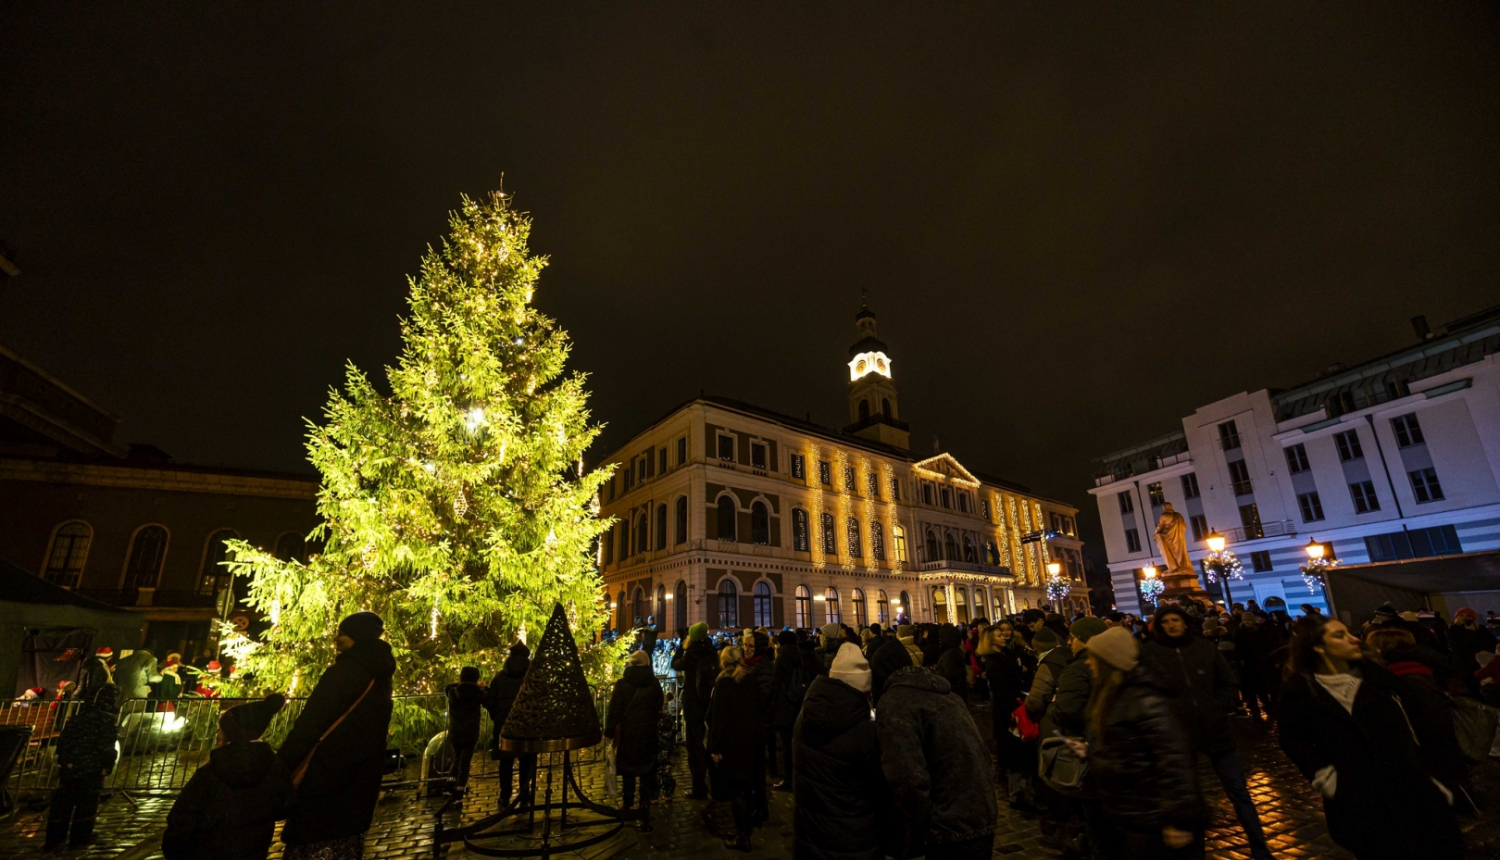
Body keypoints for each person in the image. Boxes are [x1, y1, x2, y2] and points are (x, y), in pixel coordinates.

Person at [1278, 616, 1464, 859]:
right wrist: (1326, 778)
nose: (1353, 639)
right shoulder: (1300, 693)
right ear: (1317, 646)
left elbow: (1429, 731)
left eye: (1349, 633)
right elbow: (1292, 739)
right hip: (1360, 805)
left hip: (1415, 795)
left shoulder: (1384, 681)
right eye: (1339, 635)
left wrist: (1438, 779)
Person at [1141, 605, 1272, 860]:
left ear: (1185, 622)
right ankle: (1196, 853)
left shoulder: (1204, 648)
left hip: (1216, 731)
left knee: (1240, 793)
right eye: (1165, 621)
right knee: (1190, 799)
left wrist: (1217, 706)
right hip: (1180, 736)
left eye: (1175, 620)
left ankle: (1260, 849)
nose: (1171, 625)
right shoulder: (1150, 653)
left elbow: (1228, 681)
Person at [1070, 627, 1202, 859]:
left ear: (1108, 661)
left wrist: (1178, 820)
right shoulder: (1114, 693)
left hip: (1152, 817)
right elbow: (1126, 745)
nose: (1088, 663)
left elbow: (1175, 761)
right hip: (1129, 812)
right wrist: (1093, 750)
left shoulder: (1146, 699)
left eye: (1093, 658)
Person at [277, 612, 396, 860]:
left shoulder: (344, 672)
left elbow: (311, 723)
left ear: (357, 636)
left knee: (314, 836)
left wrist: (283, 764)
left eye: (342, 632)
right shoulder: (381, 674)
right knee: (346, 837)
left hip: (327, 770)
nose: (337, 638)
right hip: (361, 774)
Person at [871, 637, 996, 860]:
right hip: (982, 811)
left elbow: (907, 777)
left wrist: (922, 820)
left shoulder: (895, 703)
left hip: (949, 824)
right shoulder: (946, 694)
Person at [792, 642, 891, 860]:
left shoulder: (805, 717)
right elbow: (879, 789)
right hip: (853, 839)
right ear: (863, 690)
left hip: (810, 834)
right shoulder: (864, 732)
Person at [163, 694, 291, 860]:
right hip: (254, 850)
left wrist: (174, 848)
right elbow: (285, 806)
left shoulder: (211, 771)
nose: (217, 733)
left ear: (230, 733)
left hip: (208, 850)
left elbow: (184, 815)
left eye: (220, 728)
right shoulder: (275, 768)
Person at [45, 683, 119, 850]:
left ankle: (55, 838)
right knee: (87, 804)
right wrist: (107, 765)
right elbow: (106, 747)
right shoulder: (104, 722)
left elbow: (63, 742)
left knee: (64, 803)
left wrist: (65, 761)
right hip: (91, 769)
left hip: (70, 767)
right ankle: (80, 836)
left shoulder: (76, 720)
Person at [708, 645, 763, 852]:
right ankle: (747, 827)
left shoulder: (723, 682)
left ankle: (742, 834)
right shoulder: (749, 679)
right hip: (750, 739)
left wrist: (714, 746)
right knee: (748, 784)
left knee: (735, 789)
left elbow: (718, 718)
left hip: (732, 742)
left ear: (723, 662)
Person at [606, 651, 665, 831]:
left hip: (628, 732)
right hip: (648, 732)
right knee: (647, 768)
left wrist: (609, 730)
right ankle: (644, 802)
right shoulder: (654, 684)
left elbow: (614, 709)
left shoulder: (623, 684)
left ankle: (628, 802)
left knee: (628, 769)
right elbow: (659, 706)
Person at [979, 619, 1036, 806]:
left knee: (1017, 749)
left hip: (1012, 707)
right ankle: (1017, 795)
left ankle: (1019, 790)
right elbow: (1004, 688)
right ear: (989, 640)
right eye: (998, 634)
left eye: (1004, 632)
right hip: (1008, 711)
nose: (1003, 635)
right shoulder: (995, 662)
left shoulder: (1005, 655)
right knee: (1014, 750)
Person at [484, 643, 536, 807]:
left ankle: (505, 795)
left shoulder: (500, 677)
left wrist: (497, 716)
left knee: (505, 762)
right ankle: (524, 793)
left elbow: (490, 701)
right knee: (526, 761)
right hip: (526, 724)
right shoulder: (531, 677)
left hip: (504, 724)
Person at [672, 622, 719, 799]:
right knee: (711, 744)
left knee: (695, 747)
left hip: (693, 704)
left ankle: (699, 788)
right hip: (708, 703)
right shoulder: (711, 650)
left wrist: (681, 646)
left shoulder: (691, 654)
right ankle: (715, 785)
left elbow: (675, 664)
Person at [771, 629, 806, 789]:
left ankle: (788, 779)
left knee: (786, 745)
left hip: (785, 705)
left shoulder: (782, 658)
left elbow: (778, 684)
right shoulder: (798, 654)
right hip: (798, 703)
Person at [444, 666, 485, 794]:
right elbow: (487, 699)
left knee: (457, 757)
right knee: (465, 760)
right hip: (471, 732)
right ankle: (460, 788)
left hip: (455, 731)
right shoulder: (478, 693)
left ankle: (450, 782)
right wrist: (478, 687)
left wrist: (461, 684)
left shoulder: (452, 692)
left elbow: (448, 687)